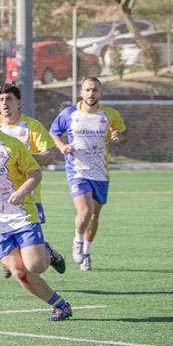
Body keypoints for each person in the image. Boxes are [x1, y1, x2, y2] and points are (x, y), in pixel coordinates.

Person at [0, 96, 73, 322]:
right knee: (20, 272)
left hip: (22, 216)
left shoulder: (11, 146)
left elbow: (35, 173)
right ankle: (61, 305)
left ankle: (47, 252)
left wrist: (20, 193)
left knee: (35, 266)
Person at [49, 77, 126, 272]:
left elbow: (121, 132)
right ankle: (77, 241)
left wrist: (118, 136)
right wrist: (62, 146)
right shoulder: (69, 114)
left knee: (94, 216)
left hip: (100, 172)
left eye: (95, 90)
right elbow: (54, 132)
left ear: (101, 93)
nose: (91, 93)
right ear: (81, 92)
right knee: (85, 211)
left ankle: (86, 251)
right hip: (77, 170)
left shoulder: (110, 114)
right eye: (87, 90)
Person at [0, 83, 66, 278]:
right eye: (0, 100)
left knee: (27, 244)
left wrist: (24, 157)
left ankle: (46, 252)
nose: (4, 103)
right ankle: (11, 258)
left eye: (8, 99)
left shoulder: (31, 126)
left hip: (29, 195)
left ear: (18, 102)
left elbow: (49, 156)